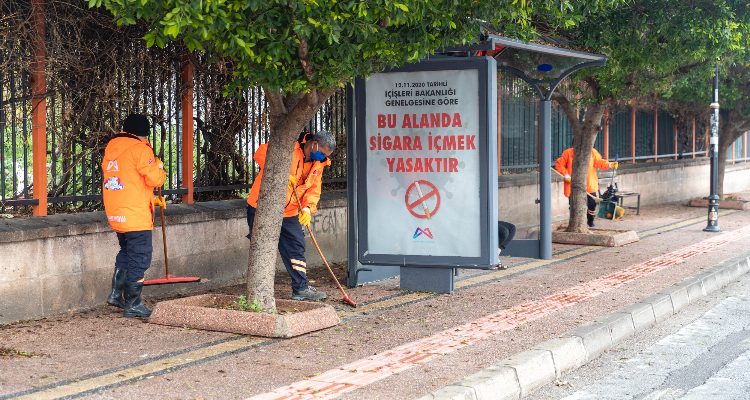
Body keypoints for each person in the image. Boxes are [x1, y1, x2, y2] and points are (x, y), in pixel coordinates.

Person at [246, 130, 335, 301]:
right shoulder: (289, 147)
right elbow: (260, 154)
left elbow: (314, 189)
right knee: (263, 247)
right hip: (262, 207)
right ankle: (260, 290)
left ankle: (300, 289)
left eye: (325, 156)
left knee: (296, 246)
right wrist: (282, 173)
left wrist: (308, 208)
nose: (322, 157)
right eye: (322, 153)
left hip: (291, 211)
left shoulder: (319, 163)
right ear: (314, 143)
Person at [102, 114, 166, 318]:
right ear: (144, 133)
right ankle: (133, 304)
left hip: (117, 212)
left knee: (126, 252)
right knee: (140, 258)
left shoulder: (112, 147)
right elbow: (155, 180)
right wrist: (159, 166)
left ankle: (115, 294)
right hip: (135, 214)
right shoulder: (140, 149)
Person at [555, 146, 618, 227]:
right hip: (573, 185)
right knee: (574, 205)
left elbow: (599, 162)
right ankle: (575, 223)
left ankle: (590, 220)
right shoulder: (568, 153)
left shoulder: (592, 152)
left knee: (592, 205)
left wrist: (609, 164)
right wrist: (566, 175)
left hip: (590, 184)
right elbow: (559, 165)